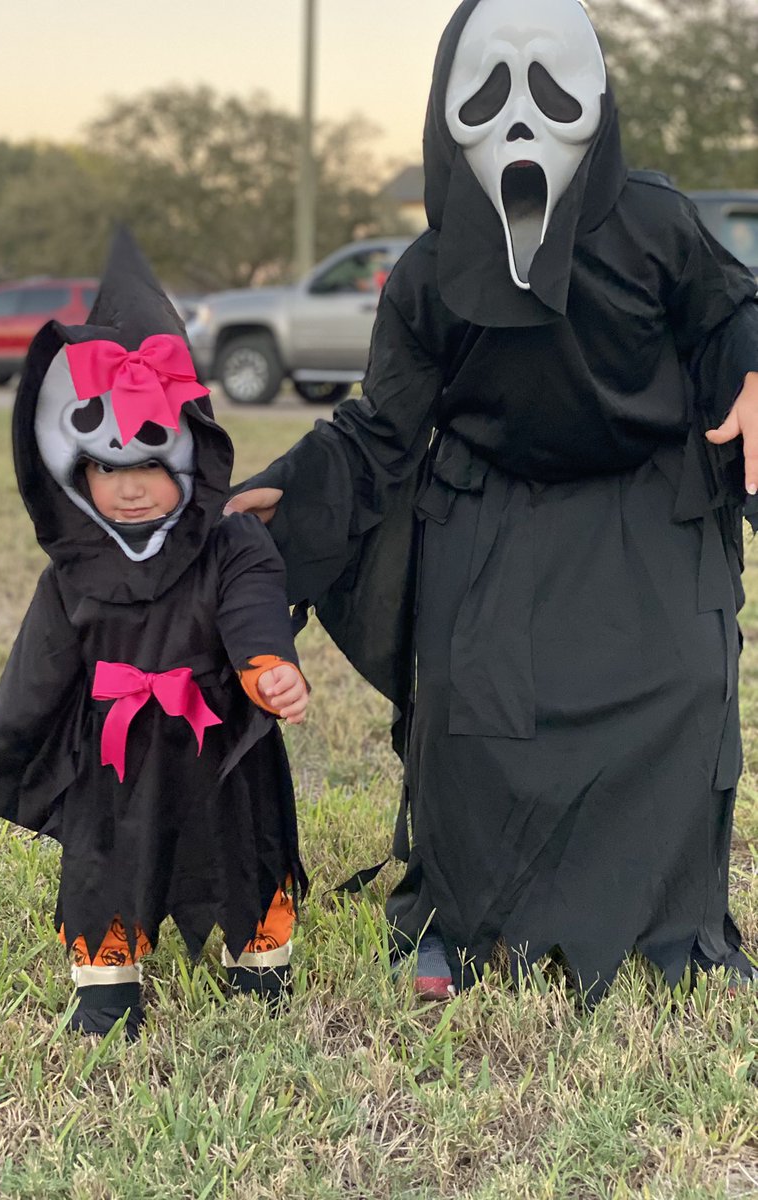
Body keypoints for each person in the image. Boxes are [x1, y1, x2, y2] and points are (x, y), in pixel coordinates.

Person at [227, 0, 758, 1002]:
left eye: (552, 86)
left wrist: (753, 372)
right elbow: (381, 427)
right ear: (447, 110)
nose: (523, 119)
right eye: (492, 89)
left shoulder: (656, 223)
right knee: (465, 705)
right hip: (492, 516)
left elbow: (732, 311)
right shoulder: (426, 276)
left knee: (689, 684)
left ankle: (678, 931)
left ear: (598, 101)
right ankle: (459, 924)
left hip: (645, 509)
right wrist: (288, 500)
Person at [0, 230, 308, 1038]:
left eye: (151, 463)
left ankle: (257, 960)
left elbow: (253, 602)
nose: (133, 488)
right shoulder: (72, 566)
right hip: (115, 753)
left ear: (189, 450)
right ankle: (109, 978)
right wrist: (8, 751)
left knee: (244, 849)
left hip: (221, 738)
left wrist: (267, 666)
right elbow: (39, 666)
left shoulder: (229, 539)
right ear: (77, 471)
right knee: (108, 861)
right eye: (108, 469)